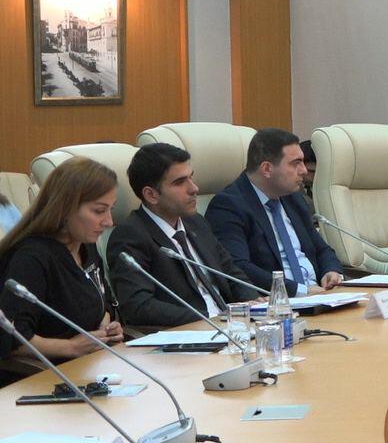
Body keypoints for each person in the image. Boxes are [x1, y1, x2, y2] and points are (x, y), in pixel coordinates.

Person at [107, 144, 263, 329]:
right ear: (151, 195)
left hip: (231, 326)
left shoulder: (196, 222)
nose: (194, 188)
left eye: (191, 177)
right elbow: (139, 306)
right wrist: (211, 318)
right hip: (190, 332)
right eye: (180, 182)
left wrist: (254, 305)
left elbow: (230, 272)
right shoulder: (130, 236)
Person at [0, 157, 124, 364]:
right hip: (47, 373)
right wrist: (71, 347)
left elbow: (105, 300)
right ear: (65, 208)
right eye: (99, 211)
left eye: (111, 209)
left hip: (94, 365)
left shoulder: (87, 245)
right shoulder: (31, 257)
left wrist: (106, 326)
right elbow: (10, 336)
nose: (109, 221)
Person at [206, 128, 344, 296]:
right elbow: (238, 267)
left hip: (320, 295)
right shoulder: (228, 206)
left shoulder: (292, 197)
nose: (304, 170)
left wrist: (331, 271)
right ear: (267, 169)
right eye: (295, 163)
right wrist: (301, 291)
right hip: (279, 302)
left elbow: (321, 249)